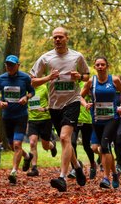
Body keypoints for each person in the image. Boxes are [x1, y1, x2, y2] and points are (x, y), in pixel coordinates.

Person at [30, 27, 89, 192]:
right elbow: (32, 82)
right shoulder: (46, 58)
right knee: (66, 141)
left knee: (64, 138)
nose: (57, 40)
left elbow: (86, 75)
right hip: (54, 105)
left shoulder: (77, 56)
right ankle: (76, 166)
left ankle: (62, 178)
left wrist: (79, 77)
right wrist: (48, 78)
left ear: (67, 38)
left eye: (60, 37)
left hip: (72, 101)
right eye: (55, 37)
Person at [80, 56, 121, 188]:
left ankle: (106, 178)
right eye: (97, 65)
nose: (100, 67)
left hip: (112, 119)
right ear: (94, 67)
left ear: (107, 66)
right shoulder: (91, 82)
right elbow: (80, 96)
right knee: (99, 148)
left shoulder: (114, 80)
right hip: (96, 119)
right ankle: (115, 173)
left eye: (102, 64)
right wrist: (85, 104)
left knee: (105, 145)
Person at [0, 55, 35, 184]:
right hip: (7, 116)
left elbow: (32, 92)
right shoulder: (1, 79)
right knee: (12, 145)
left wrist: (26, 98)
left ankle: (14, 172)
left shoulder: (25, 78)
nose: (9, 67)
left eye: (12, 65)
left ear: (18, 65)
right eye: (7, 65)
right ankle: (27, 156)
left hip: (21, 115)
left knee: (17, 145)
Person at [27, 83, 57, 177]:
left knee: (45, 146)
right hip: (32, 120)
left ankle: (52, 146)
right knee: (32, 143)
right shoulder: (26, 90)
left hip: (45, 120)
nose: (32, 80)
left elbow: (53, 102)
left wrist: (45, 109)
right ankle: (34, 168)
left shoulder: (44, 88)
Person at [70, 81, 97, 179]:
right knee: (72, 143)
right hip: (74, 119)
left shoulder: (87, 84)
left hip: (87, 120)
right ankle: (75, 167)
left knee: (86, 146)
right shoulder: (69, 84)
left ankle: (93, 164)